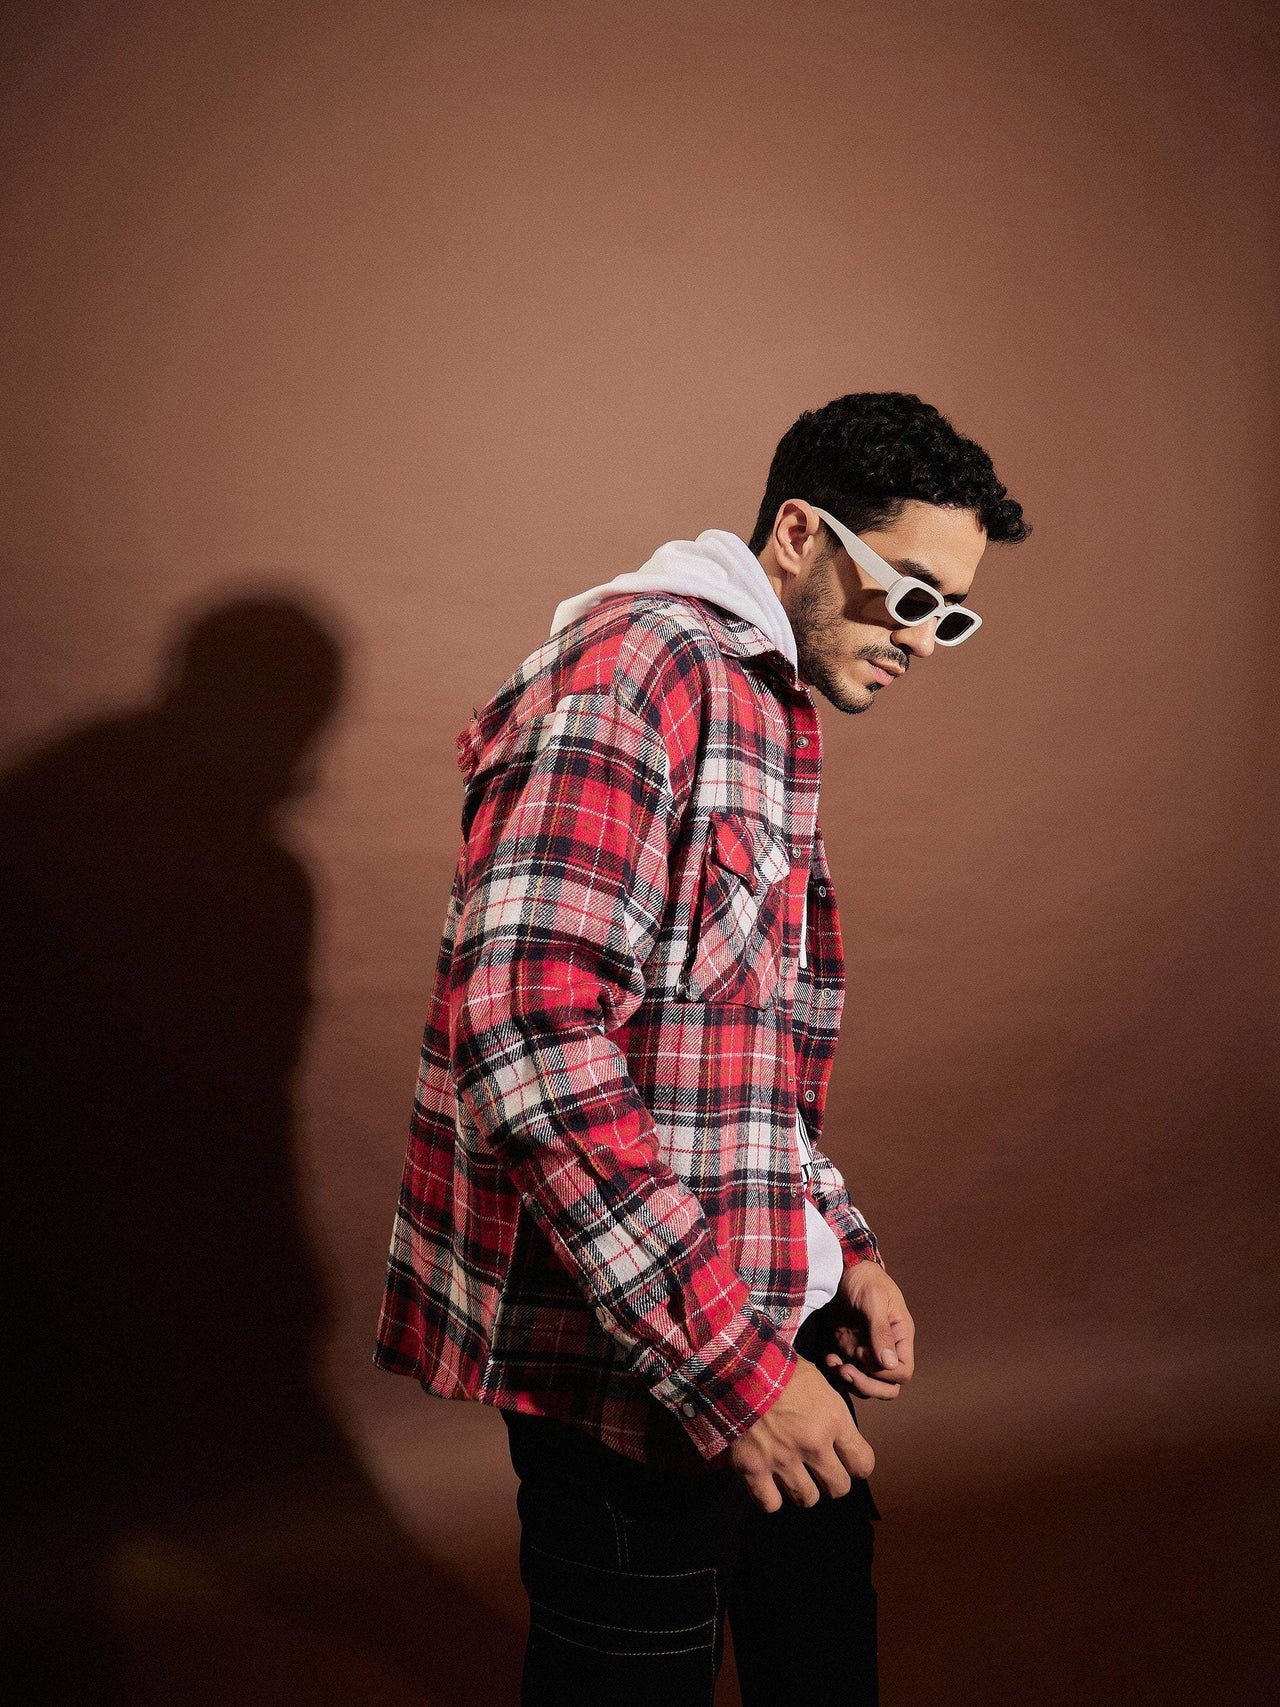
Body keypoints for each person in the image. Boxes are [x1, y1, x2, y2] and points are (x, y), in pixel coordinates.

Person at [373, 390, 1031, 1705]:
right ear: (800, 533)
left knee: (821, 1653)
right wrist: (735, 1375)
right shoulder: (636, 678)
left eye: (951, 616)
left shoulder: (763, 698)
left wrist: (839, 1248)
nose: (924, 639)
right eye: (910, 593)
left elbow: (735, 1050)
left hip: (769, 1317)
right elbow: (529, 1034)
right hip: (645, 1366)